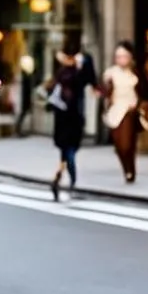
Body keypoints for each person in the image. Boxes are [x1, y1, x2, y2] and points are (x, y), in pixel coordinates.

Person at [101, 40, 148, 184]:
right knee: (119, 144)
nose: (121, 59)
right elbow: (105, 91)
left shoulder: (135, 73)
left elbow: (143, 91)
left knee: (128, 143)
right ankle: (126, 169)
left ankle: (130, 170)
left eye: (124, 56)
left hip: (130, 110)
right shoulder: (110, 73)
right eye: (118, 56)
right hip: (115, 110)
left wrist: (139, 104)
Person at [47, 51, 87, 201]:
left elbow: (51, 98)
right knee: (69, 154)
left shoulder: (60, 77)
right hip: (72, 122)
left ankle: (58, 179)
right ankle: (70, 181)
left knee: (65, 155)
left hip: (63, 122)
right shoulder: (75, 77)